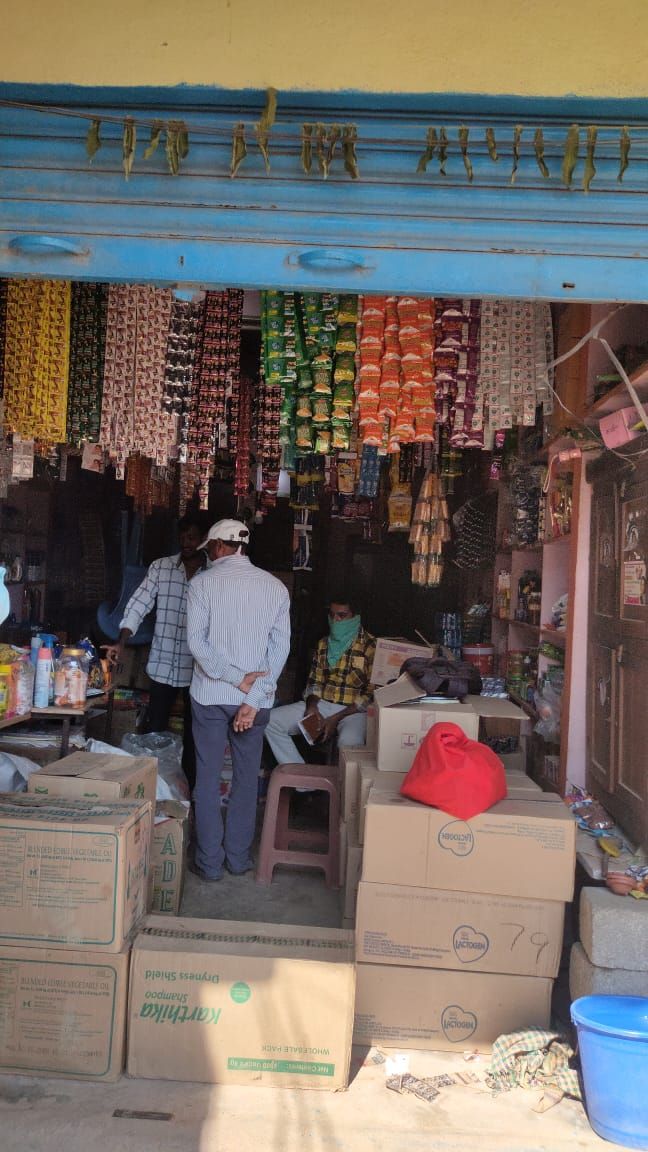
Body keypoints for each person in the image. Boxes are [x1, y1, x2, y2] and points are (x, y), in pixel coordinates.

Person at [186, 518, 290, 881]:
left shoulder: (201, 584)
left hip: (211, 696)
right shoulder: (276, 588)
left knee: (208, 778)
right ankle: (238, 860)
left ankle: (210, 864)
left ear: (217, 546)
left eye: (209, 549)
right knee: (247, 780)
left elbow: (197, 644)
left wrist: (234, 680)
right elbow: (280, 650)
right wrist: (253, 696)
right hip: (254, 702)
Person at [105, 512, 206, 790]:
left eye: (193, 538)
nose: (187, 543)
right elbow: (138, 605)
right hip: (162, 665)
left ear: (204, 540)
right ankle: (152, 790)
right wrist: (121, 641)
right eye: (183, 537)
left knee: (195, 734)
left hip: (198, 669)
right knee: (153, 730)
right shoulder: (161, 567)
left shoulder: (214, 574)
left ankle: (189, 795)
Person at [265, 593, 375, 765]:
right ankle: (302, 781)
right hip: (322, 705)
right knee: (270, 721)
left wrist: (335, 719)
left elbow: (370, 695)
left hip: (353, 711)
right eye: (332, 615)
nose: (336, 620)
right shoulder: (323, 644)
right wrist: (312, 707)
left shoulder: (371, 646)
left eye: (342, 615)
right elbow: (314, 682)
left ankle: (342, 791)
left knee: (348, 744)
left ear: (355, 617)